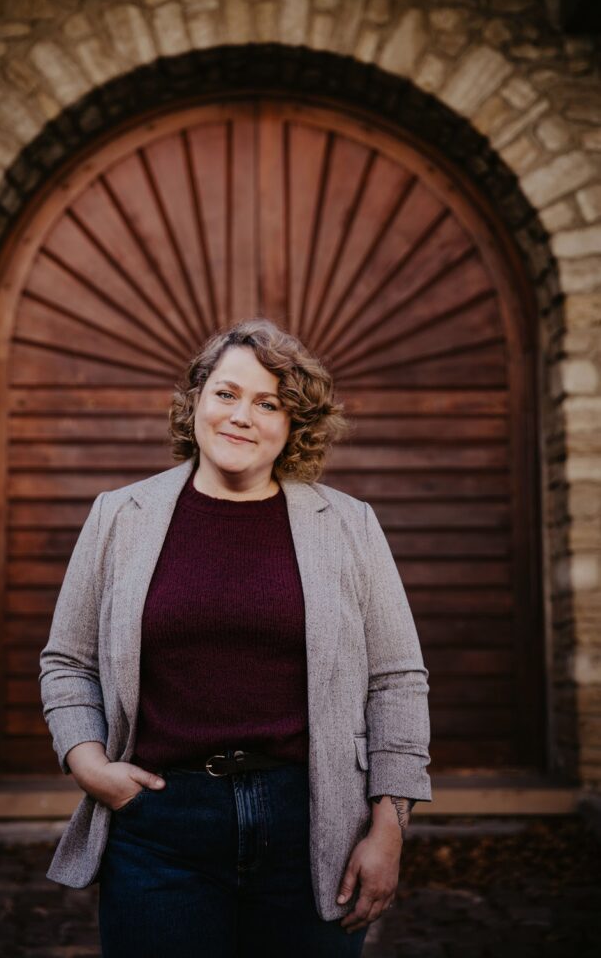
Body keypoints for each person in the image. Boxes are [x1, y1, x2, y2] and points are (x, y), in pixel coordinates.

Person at [39, 317, 432, 958]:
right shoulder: (120, 516)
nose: (241, 416)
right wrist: (87, 763)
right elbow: (67, 660)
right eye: (226, 393)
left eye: (268, 403)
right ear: (195, 401)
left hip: (313, 826)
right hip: (159, 826)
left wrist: (389, 825)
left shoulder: (349, 525)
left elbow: (396, 680)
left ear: (291, 424)